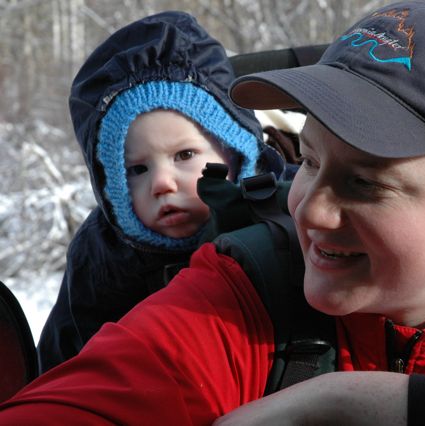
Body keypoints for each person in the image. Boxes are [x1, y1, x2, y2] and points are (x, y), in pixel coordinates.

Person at [2, 1, 425, 424]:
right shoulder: (243, 293)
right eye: (308, 161)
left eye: (365, 183)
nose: (310, 210)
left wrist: (368, 405)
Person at [36, 11, 287, 374]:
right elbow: (65, 358)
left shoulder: (281, 214)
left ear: (235, 153)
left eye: (184, 155)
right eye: (137, 169)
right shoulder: (104, 255)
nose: (161, 183)